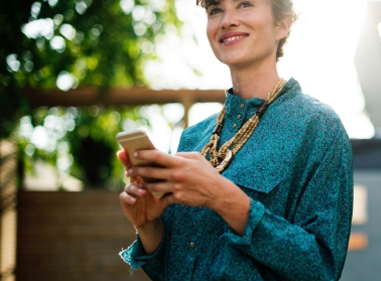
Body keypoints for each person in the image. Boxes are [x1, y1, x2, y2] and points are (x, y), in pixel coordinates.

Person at [118, 0, 354, 280]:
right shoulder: (193, 138)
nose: (227, 20)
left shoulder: (319, 128)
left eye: (244, 4)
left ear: (283, 23)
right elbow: (171, 269)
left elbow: (321, 269)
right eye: (215, 10)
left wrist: (222, 197)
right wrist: (149, 226)